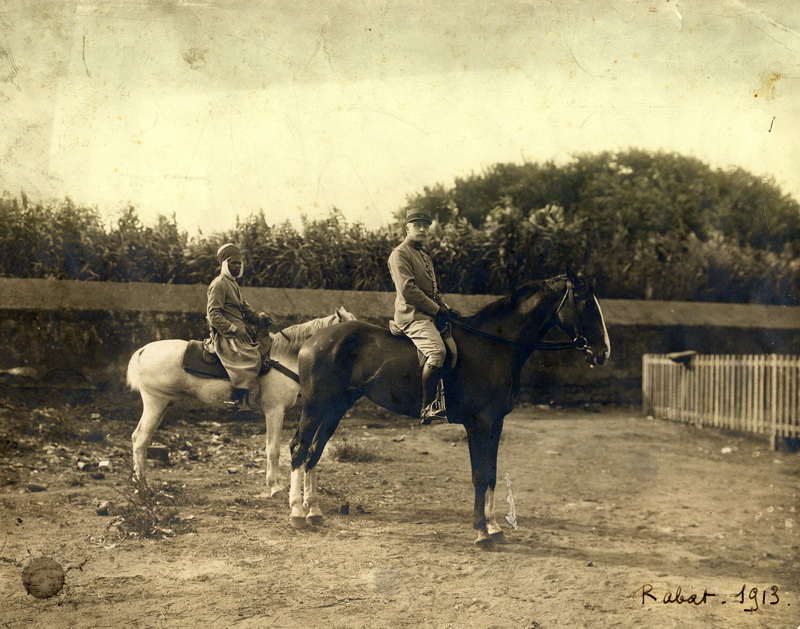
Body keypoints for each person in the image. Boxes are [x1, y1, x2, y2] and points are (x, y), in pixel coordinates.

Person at [388, 208, 461, 424]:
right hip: (412, 316)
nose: (422, 229)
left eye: (425, 225)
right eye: (417, 225)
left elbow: (434, 291)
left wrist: (446, 306)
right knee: (437, 352)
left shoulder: (425, 257)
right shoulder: (399, 254)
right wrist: (437, 310)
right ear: (407, 228)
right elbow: (408, 290)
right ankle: (427, 407)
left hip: (430, 315)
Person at [206, 243, 272, 411]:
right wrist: (234, 330)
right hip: (227, 335)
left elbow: (246, 310)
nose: (237, 266)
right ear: (225, 264)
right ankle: (236, 399)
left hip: (241, 332)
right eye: (233, 263)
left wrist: (260, 318)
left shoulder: (233, 284)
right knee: (251, 357)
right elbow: (213, 314)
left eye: (239, 263)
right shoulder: (219, 284)